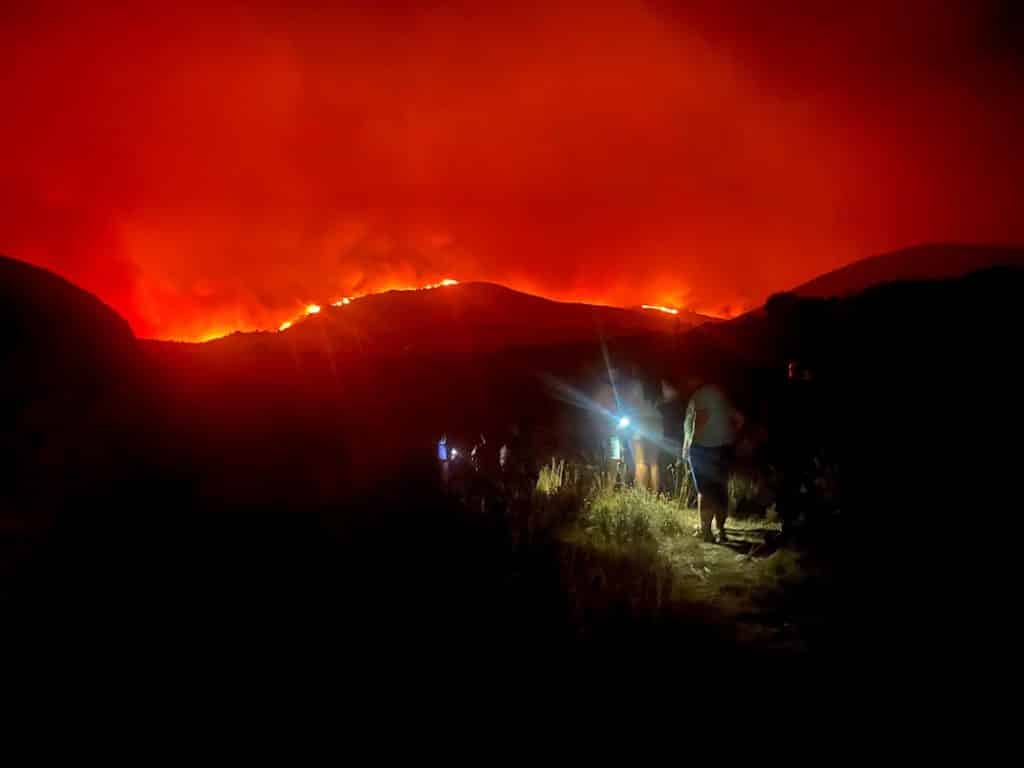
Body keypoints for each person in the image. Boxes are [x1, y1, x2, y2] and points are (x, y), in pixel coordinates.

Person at [682, 376, 743, 543]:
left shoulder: (703, 394)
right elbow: (739, 419)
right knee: (720, 489)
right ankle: (722, 530)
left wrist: (690, 446)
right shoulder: (721, 394)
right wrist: (730, 435)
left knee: (705, 491)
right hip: (725, 447)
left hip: (705, 448)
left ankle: (707, 532)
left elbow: (700, 420)